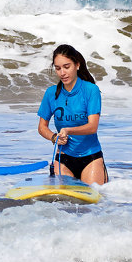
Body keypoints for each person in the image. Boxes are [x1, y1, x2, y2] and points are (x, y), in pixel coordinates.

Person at [36, 43, 108, 185]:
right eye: (58, 68)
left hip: (90, 157)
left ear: (77, 65)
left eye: (66, 67)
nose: (62, 73)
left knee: (93, 204)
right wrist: (54, 137)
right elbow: (42, 127)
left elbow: (92, 127)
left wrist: (68, 130)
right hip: (63, 159)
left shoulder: (90, 90)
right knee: (63, 203)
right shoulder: (51, 93)